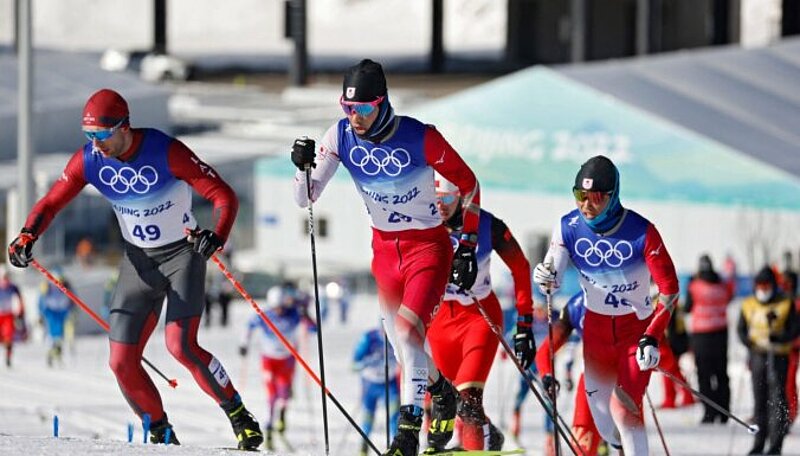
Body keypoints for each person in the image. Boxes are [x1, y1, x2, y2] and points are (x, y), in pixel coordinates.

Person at [6, 88, 262, 449]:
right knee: (121, 362)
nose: (96, 144)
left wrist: (216, 236)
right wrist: (27, 234)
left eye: (102, 134)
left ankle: (238, 414)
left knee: (180, 346)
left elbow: (223, 195)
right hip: (137, 262)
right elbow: (51, 203)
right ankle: (160, 431)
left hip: (181, 257)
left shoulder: (165, 150)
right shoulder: (90, 161)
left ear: (124, 127)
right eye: (89, 136)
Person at [291, 59, 481, 456]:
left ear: (383, 102)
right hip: (384, 252)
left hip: (427, 248)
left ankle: (408, 432)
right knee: (400, 345)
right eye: (347, 108)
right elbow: (304, 197)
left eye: (362, 108)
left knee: (410, 333)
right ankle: (440, 390)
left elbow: (468, 183)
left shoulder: (420, 137)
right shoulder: (340, 136)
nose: (354, 117)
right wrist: (302, 167)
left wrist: (467, 245)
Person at [533, 155, 680, 455]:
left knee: (624, 410)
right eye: (580, 196)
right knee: (604, 424)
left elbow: (670, 289)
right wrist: (544, 276)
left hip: (635, 331)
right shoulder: (567, 227)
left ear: (613, 197)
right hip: (596, 332)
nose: (587, 205)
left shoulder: (642, 231)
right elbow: (553, 276)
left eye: (597, 197)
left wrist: (652, 336)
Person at [426, 175, 534, 452]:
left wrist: (524, 323)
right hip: (438, 321)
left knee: (469, 398)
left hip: (479, 316)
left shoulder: (487, 225)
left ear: (461, 197)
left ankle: (477, 445)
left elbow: (521, 267)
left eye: (447, 199)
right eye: (436, 199)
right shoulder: (422, 220)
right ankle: (487, 438)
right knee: (439, 401)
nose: (441, 206)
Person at [239, 283, 315, 451]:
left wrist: (306, 315)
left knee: (283, 393)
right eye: (275, 308)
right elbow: (249, 326)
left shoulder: (294, 313)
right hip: (269, 359)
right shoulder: (264, 315)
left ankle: (282, 415)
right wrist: (244, 344)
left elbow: (313, 329)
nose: (278, 311)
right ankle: (269, 426)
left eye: (281, 307)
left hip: (287, 360)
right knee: (271, 394)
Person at [738, 266, 799, 455]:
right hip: (758, 356)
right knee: (759, 401)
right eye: (759, 285)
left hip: (778, 357)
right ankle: (758, 443)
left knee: (777, 401)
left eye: (766, 285)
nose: (763, 289)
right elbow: (741, 329)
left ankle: (775, 445)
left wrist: (780, 338)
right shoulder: (748, 304)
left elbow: (795, 329)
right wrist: (748, 343)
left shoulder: (785, 303)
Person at [535, 292, 606, 456]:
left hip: (625, 380)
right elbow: (545, 351)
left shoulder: (630, 293)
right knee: (582, 450)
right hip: (591, 380)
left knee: (625, 442)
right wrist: (547, 375)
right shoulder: (577, 305)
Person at [684, 253, 733, 422]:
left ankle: (709, 412)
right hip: (720, 334)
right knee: (721, 374)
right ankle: (724, 412)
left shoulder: (694, 286)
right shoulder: (721, 285)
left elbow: (688, 308)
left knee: (704, 375)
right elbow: (729, 298)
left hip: (702, 336)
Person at [353, 325, 401, 456]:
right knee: (368, 417)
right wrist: (370, 362)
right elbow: (354, 364)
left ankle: (395, 447)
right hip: (370, 384)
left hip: (389, 384)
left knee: (394, 416)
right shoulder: (369, 337)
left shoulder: (397, 337)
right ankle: (364, 446)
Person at [37, 270, 74, 367]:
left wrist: (71, 310)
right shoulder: (47, 287)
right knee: (54, 335)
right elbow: (41, 300)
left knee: (61, 335)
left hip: (62, 312)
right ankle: (53, 353)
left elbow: (72, 299)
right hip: (51, 312)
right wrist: (41, 313)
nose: (58, 282)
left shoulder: (65, 286)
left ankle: (57, 353)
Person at [0, 266, 25, 367]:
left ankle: (8, 356)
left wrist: (20, 312)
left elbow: (20, 300)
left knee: (8, 337)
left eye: (7, 277)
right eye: (4, 277)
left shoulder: (13, 287)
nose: (6, 279)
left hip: (8, 315)